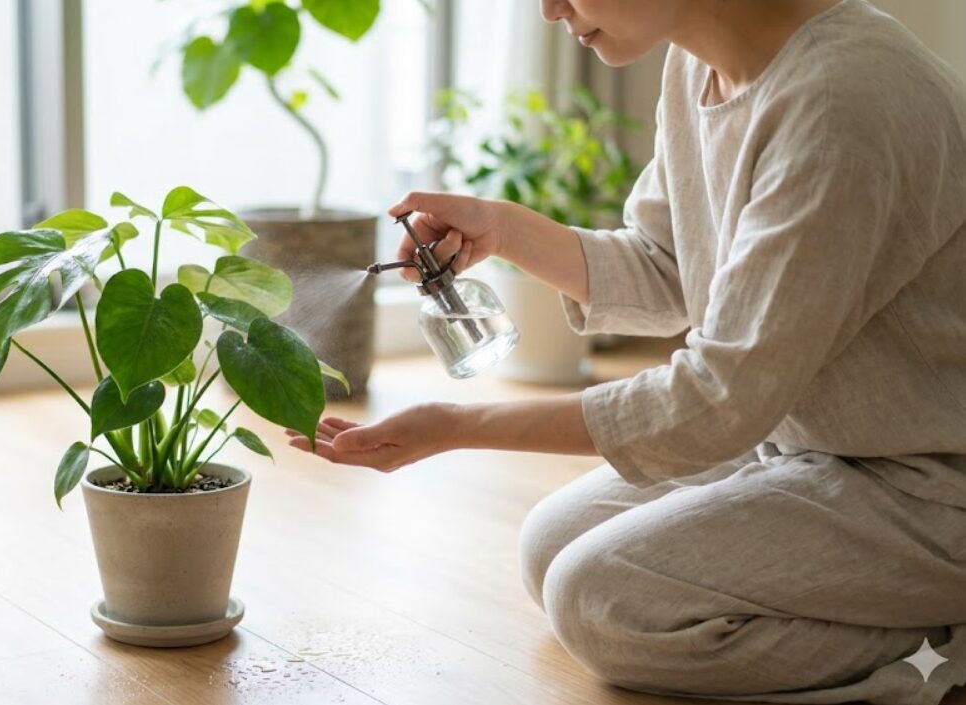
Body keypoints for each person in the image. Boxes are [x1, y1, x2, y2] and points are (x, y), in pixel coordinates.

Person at [285, 0, 966, 702]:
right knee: (549, 543)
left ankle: (938, 646)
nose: (549, 10)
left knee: (600, 600)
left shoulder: (840, 101)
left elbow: (716, 399)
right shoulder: (696, 64)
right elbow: (667, 264)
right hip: (810, 441)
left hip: (929, 484)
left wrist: (457, 425)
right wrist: (501, 228)